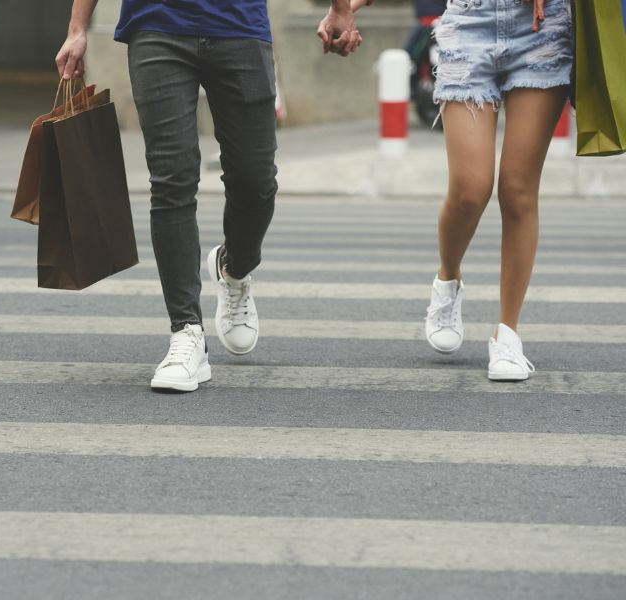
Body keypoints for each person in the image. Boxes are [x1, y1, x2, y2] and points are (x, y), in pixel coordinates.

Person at [335, 0, 570, 381]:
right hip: (470, 23)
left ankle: (507, 334)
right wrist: (348, 6)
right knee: (470, 189)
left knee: (518, 189)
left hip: (542, 30)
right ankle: (449, 275)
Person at [55, 1, 283, 392]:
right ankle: (186, 333)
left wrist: (339, 10)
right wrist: (78, 29)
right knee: (171, 179)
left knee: (255, 181)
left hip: (240, 26)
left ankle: (235, 269)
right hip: (156, 27)